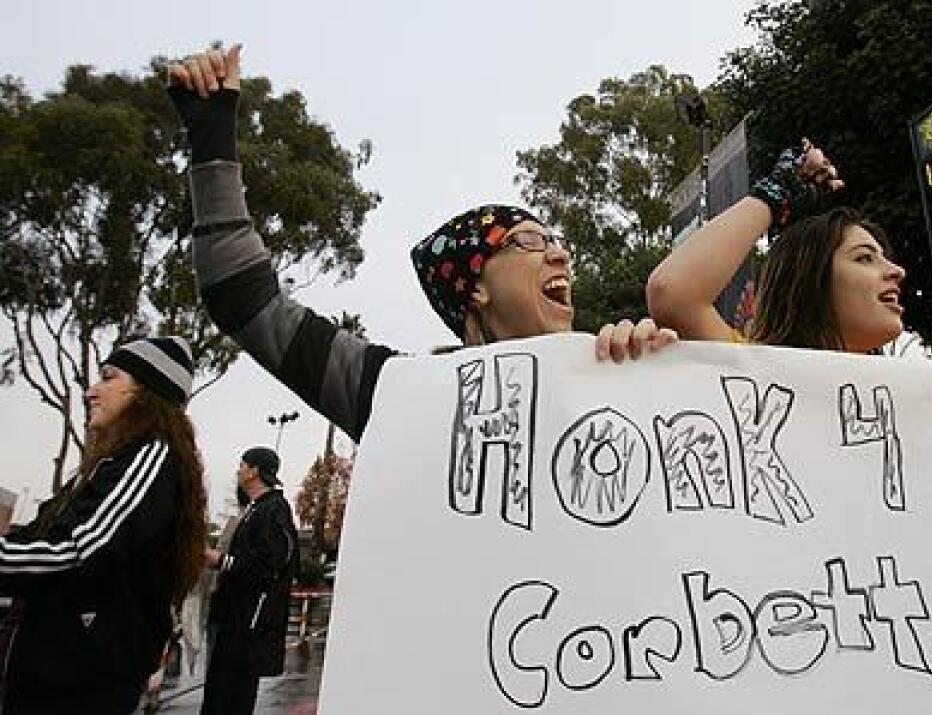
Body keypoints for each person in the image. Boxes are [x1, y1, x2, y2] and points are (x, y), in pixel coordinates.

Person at [167, 43, 676, 447]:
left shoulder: (615, 374)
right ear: (476, 288)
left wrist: (656, 376)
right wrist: (212, 135)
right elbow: (244, 300)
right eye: (526, 241)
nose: (560, 255)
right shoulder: (394, 393)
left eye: (557, 242)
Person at [646, 141, 932, 602]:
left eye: (885, 258)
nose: (896, 271)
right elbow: (672, 292)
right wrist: (776, 195)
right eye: (864, 258)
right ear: (808, 280)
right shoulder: (753, 382)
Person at [0, 336, 207, 714]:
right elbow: (42, 533)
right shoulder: (113, 462)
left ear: (147, 393)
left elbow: (76, 552)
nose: (91, 391)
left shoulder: (151, 458)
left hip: (79, 685)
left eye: (109, 377)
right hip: (53, 677)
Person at [201, 446, 298, 715]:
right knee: (220, 689)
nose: (238, 470)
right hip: (233, 615)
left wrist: (221, 561)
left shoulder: (274, 509)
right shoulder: (255, 509)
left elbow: (272, 563)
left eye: (243, 465)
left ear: (255, 471)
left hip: (247, 622)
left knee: (232, 694)